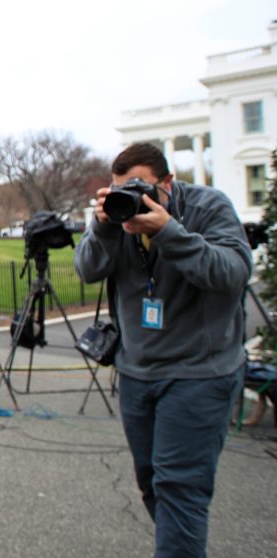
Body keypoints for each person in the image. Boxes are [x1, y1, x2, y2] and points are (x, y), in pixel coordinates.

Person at [74, 142, 250, 558]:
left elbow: (233, 272)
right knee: (152, 481)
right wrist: (102, 227)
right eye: (121, 188)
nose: (133, 198)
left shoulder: (209, 207)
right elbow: (87, 269)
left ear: (167, 183)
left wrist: (168, 230)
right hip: (137, 373)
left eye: (141, 188)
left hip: (198, 374)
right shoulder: (118, 217)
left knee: (179, 485)